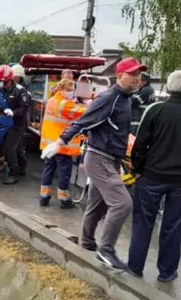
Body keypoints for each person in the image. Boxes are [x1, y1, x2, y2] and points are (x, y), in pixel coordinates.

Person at [41, 57, 147, 269]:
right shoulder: (109, 98)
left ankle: (87, 243)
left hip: (111, 159)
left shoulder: (126, 99)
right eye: (133, 74)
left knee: (96, 206)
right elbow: (82, 122)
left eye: (139, 74)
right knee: (122, 203)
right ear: (119, 76)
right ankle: (106, 250)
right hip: (100, 159)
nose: (137, 78)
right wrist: (60, 142)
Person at [128, 70, 181, 282]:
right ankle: (167, 272)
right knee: (174, 226)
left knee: (143, 221)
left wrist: (137, 169)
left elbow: (140, 144)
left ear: (168, 87)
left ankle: (135, 267)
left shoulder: (155, 110)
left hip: (151, 176)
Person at [40, 79, 86, 208]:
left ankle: (44, 197)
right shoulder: (65, 104)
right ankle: (64, 199)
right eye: (71, 91)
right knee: (64, 173)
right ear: (65, 90)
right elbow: (83, 112)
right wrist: (91, 103)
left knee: (48, 170)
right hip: (61, 145)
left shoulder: (52, 100)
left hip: (49, 144)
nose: (72, 93)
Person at [0, 65, 30, 184]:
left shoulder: (20, 91)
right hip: (6, 123)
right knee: (17, 148)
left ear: (9, 80)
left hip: (17, 124)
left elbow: (24, 108)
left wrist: (13, 113)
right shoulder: (1, 90)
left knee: (9, 148)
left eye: (2, 82)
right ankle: (22, 167)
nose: (0, 84)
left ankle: (14, 173)